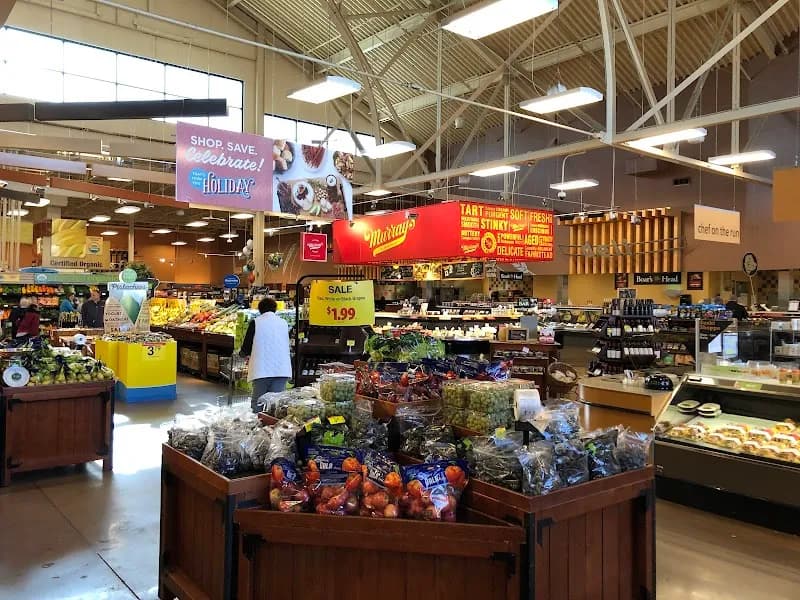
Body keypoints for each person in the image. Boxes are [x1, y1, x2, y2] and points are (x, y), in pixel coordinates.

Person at [240, 297, 292, 411]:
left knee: (259, 402)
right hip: (281, 369)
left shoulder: (256, 322)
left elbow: (247, 345)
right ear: (275, 309)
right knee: (276, 403)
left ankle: (259, 427)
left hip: (261, 369)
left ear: (260, 309)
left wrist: (243, 354)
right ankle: (274, 427)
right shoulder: (283, 323)